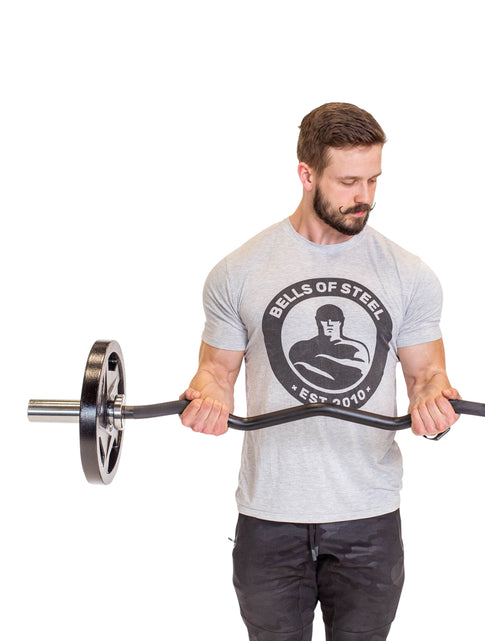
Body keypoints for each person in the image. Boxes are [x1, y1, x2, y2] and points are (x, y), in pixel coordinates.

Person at [180, 102, 460, 641]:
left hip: (368, 514)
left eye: (374, 180)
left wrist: (434, 407)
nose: (365, 198)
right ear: (307, 175)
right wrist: (207, 400)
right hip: (270, 512)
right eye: (349, 181)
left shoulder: (409, 274)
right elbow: (215, 373)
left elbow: (428, 378)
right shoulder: (238, 272)